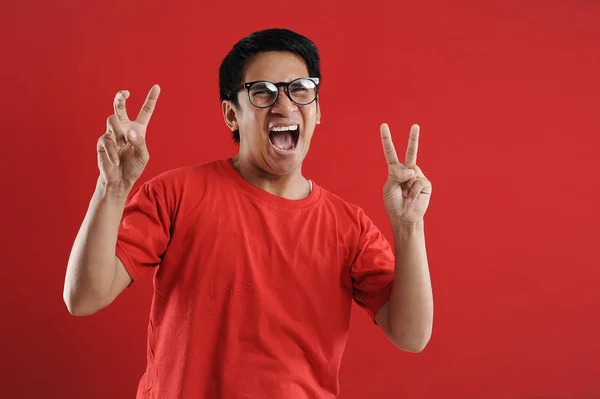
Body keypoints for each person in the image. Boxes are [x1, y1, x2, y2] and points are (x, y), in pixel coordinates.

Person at [63, 28, 434, 399]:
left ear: (318, 110)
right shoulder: (174, 195)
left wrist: (409, 227)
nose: (284, 105)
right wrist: (112, 188)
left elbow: (411, 335)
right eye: (262, 92)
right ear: (231, 114)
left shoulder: (349, 228)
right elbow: (83, 297)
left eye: (300, 89)